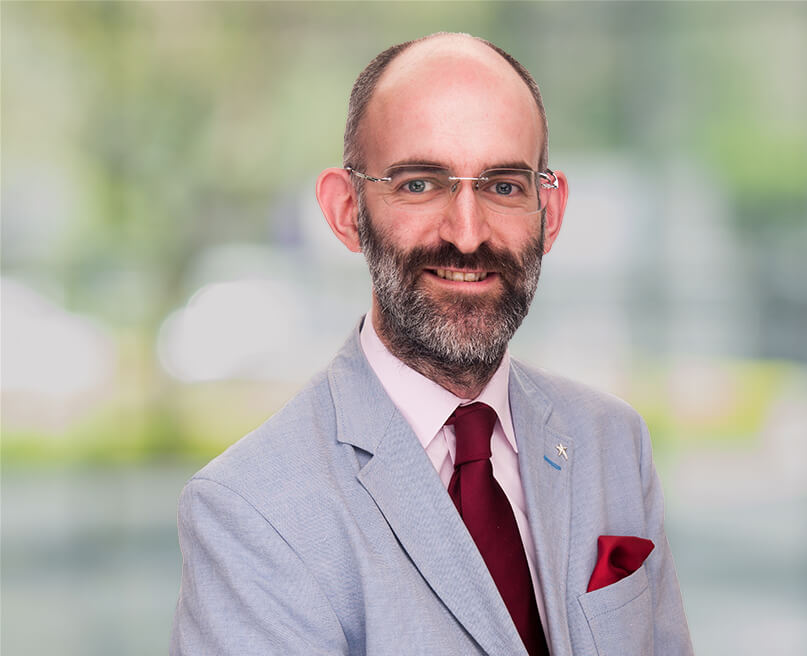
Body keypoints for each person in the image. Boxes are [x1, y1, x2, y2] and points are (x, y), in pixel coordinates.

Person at [170, 32, 693, 656]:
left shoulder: (613, 442)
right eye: (420, 183)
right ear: (346, 210)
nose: (468, 235)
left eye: (503, 185)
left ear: (549, 212)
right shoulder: (250, 511)